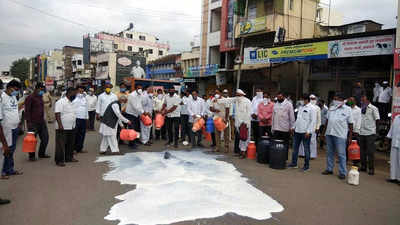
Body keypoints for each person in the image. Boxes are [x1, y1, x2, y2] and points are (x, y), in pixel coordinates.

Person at [322, 92, 353, 180]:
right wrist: (323, 133)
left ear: (342, 100)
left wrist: (350, 137)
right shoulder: (331, 108)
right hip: (329, 133)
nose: (334, 101)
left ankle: (342, 172)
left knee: (341, 154)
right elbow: (327, 121)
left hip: (340, 135)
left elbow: (351, 124)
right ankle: (329, 169)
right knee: (329, 152)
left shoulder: (348, 109)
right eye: (334, 99)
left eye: (336, 99)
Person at [288, 94, 316, 171]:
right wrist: (293, 127)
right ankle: (294, 163)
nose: (301, 101)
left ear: (306, 100)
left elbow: (313, 121)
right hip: (297, 131)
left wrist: (309, 131)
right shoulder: (300, 107)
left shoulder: (312, 108)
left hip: (305, 132)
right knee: (295, 148)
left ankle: (306, 166)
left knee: (306, 149)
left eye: (302, 99)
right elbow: (298, 119)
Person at [1, 80, 23, 178]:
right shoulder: (2, 98)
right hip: (7, 128)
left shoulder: (13, 97)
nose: (16, 92)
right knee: (6, 149)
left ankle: (10, 169)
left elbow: (15, 109)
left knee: (12, 149)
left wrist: (18, 122)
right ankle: (4, 171)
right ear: (9, 87)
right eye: (15, 89)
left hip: (15, 127)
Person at [24, 83, 50, 161]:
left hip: (41, 122)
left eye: (43, 89)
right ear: (37, 88)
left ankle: (41, 154)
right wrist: (28, 123)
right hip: (33, 123)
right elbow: (27, 111)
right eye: (41, 89)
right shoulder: (30, 98)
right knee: (32, 140)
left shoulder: (40, 97)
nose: (42, 91)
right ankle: (31, 156)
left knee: (45, 138)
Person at [54, 88, 78, 167]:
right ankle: (59, 160)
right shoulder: (61, 102)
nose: (75, 95)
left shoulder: (73, 102)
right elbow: (57, 114)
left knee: (70, 143)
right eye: (74, 94)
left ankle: (69, 157)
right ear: (69, 93)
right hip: (62, 127)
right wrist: (60, 125)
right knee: (60, 144)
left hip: (71, 126)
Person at [359, 95, 380, 175]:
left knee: (370, 152)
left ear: (368, 100)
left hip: (370, 133)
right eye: (361, 99)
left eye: (363, 99)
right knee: (362, 151)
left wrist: (376, 132)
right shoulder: (361, 108)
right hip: (361, 132)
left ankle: (371, 169)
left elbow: (377, 120)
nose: (362, 100)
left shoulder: (374, 108)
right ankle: (363, 166)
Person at [299, 94, 321, 159]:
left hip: (313, 127)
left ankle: (312, 155)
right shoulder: (303, 106)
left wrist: (317, 127)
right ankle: (302, 154)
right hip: (304, 126)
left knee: (312, 141)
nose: (312, 100)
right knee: (303, 141)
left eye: (313, 99)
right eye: (311, 98)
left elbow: (318, 118)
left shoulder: (317, 108)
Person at [72, 86, 89, 154]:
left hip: (83, 119)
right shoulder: (73, 98)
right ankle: (73, 149)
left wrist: (87, 118)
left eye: (82, 91)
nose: (81, 93)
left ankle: (80, 148)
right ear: (77, 91)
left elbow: (86, 109)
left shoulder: (85, 98)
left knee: (82, 134)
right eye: (79, 91)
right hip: (76, 118)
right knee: (75, 134)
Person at [386, 115, 400, 184]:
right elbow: (392, 128)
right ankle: (393, 177)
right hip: (395, 141)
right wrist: (389, 136)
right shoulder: (397, 117)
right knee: (393, 160)